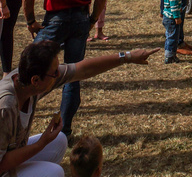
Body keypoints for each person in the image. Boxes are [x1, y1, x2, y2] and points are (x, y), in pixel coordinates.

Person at [0, 39, 156, 177]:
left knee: (60, 140)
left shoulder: (26, 80)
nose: (58, 74)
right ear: (35, 80)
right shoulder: (5, 106)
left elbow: (82, 70)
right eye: (54, 73)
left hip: (8, 158)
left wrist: (127, 57)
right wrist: (41, 143)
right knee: (54, 172)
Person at [22, 0, 108, 138]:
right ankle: (64, 131)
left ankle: (18, 120)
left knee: (31, 68)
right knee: (72, 75)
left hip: (55, 19)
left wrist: (31, 20)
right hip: (80, 19)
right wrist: (91, 20)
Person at [161, 0, 183, 64]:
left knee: (169, 36)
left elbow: (167, 3)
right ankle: (169, 56)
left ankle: (169, 53)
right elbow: (173, 5)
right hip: (171, 18)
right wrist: (177, 17)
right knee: (173, 37)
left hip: (166, 16)